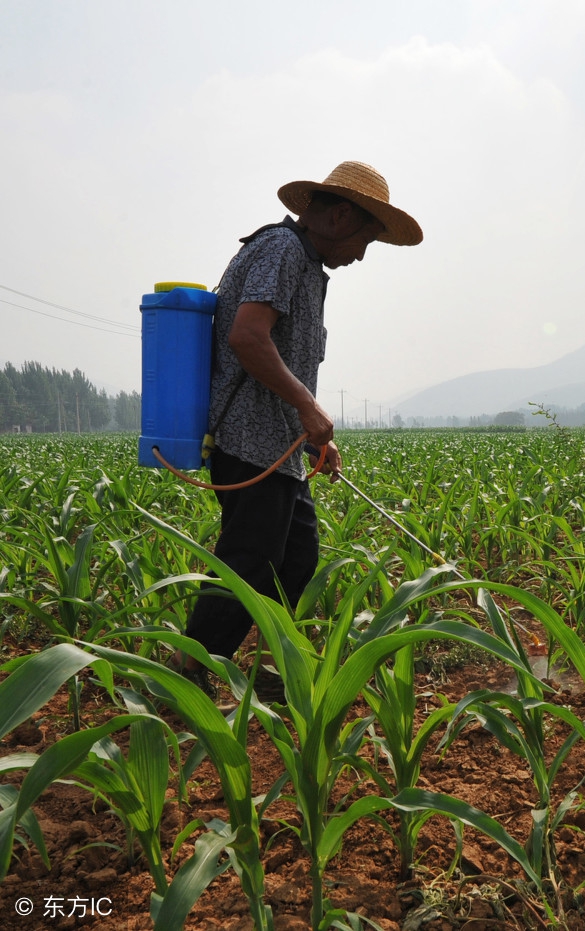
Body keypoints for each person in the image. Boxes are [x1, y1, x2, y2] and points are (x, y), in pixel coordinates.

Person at [174, 161, 422, 703]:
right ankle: (186, 674)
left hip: (280, 445)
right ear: (337, 217)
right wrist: (309, 409)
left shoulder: (309, 266)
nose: (360, 255)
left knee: (297, 559)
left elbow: (287, 358)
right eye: (365, 240)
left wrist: (315, 434)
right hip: (248, 439)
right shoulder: (281, 251)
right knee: (250, 559)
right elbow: (248, 337)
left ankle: (275, 667)